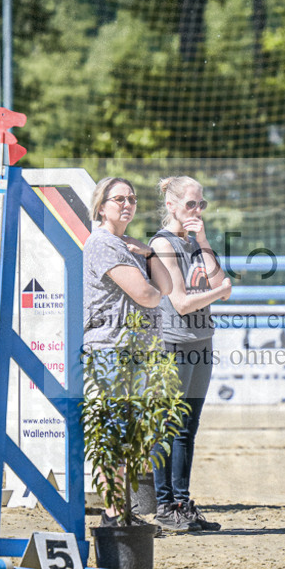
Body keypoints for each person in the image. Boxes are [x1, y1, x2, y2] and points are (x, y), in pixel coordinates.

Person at [82, 176, 172, 527]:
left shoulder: (126, 246)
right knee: (114, 435)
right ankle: (113, 514)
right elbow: (149, 295)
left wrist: (148, 252)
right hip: (112, 348)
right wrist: (153, 287)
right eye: (118, 198)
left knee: (131, 435)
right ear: (101, 206)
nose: (127, 204)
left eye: (131, 198)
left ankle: (121, 511)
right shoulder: (103, 243)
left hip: (135, 350)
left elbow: (166, 285)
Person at [148, 176, 232, 533]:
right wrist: (219, 291)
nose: (197, 212)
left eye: (202, 205)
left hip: (202, 340)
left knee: (188, 428)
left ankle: (182, 502)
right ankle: (165, 504)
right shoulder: (162, 244)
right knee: (168, 426)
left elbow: (219, 284)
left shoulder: (195, 244)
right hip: (173, 342)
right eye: (190, 205)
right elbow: (181, 303)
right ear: (171, 205)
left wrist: (204, 241)